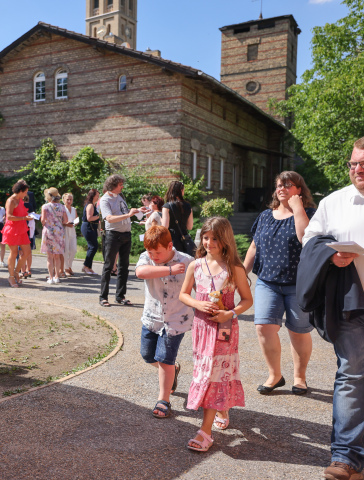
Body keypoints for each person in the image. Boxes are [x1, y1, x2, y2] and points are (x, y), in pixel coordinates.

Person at [301, 132, 364, 480]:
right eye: (353, 163)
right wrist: (330, 255)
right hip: (353, 306)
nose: (357, 169)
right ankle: (346, 458)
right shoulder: (333, 203)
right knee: (351, 379)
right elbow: (310, 240)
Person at [178, 216, 252, 452]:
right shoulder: (195, 265)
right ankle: (221, 407)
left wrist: (230, 313)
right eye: (206, 237)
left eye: (215, 239)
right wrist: (197, 305)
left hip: (224, 330)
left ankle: (205, 432)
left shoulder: (234, 269)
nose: (209, 242)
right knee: (206, 373)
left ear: (225, 240)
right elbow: (184, 294)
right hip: (201, 328)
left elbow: (247, 300)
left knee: (213, 375)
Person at [242, 171, 316, 396]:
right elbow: (254, 247)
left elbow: (306, 238)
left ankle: (299, 377)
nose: (282, 188)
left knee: (298, 331)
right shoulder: (265, 216)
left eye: (288, 185)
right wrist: (241, 273)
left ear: (299, 189)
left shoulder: (310, 213)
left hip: (298, 283)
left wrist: (298, 209)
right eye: (278, 185)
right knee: (263, 327)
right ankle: (275, 375)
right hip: (267, 281)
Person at [135, 226, 194, 419]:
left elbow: (200, 284)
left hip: (176, 320)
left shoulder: (187, 261)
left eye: (158, 252)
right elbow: (141, 272)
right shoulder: (147, 258)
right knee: (147, 355)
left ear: (170, 246)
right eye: (150, 252)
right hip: (152, 317)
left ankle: (164, 400)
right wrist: (168, 269)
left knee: (164, 360)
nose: (154, 256)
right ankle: (173, 369)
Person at [99, 174, 143, 307]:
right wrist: (128, 214)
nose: (122, 186)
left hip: (126, 234)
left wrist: (138, 211)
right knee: (108, 266)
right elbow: (109, 218)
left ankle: (120, 296)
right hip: (113, 235)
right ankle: (103, 297)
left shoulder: (120, 196)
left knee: (124, 267)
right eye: (120, 184)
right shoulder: (105, 199)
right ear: (112, 185)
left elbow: (124, 212)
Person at [1, 180, 33, 288]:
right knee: (13, 253)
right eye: (25, 192)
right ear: (20, 191)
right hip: (12, 230)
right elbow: (9, 216)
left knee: (27, 252)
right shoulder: (11, 200)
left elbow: (20, 213)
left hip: (22, 229)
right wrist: (24, 217)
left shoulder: (20, 200)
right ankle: (11, 277)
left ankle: (16, 272)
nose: (26, 194)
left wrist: (28, 215)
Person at [40, 187, 68, 284]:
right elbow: (65, 220)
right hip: (59, 232)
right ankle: (57, 276)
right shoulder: (62, 207)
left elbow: (43, 220)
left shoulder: (45, 207)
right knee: (57, 256)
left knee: (50, 256)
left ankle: (50, 277)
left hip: (49, 231)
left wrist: (47, 222)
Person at [162, 181, 195, 256]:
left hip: (171, 240)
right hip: (184, 240)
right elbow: (190, 227)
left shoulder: (167, 206)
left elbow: (165, 227)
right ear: (181, 190)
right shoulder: (188, 206)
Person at [81, 189, 100, 275]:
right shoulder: (90, 205)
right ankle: (85, 266)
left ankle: (89, 267)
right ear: (93, 196)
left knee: (92, 247)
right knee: (93, 247)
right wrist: (99, 216)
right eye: (97, 195)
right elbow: (89, 218)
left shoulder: (93, 205)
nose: (98, 197)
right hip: (89, 227)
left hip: (92, 227)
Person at [62, 192, 78, 276]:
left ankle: (69, 265)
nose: (69, 201)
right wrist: (66, 223)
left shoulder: (74, 209)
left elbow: (76, 218)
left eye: (70, 199)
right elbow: (60, 220)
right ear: (64, 200)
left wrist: (75, 223)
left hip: (72, 230)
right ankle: (66, 268)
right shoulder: (62, 208)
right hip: (65, 230)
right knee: (66, 250)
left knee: (73, 250)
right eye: (67, 199)